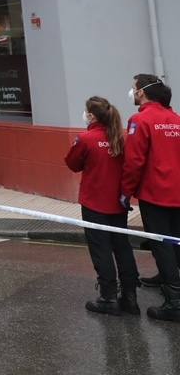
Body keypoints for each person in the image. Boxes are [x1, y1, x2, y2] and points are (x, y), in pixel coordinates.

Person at [65, 96, 139, 315]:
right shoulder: (120, 138)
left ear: (92, 115)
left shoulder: (86, 138)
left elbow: (72, 163)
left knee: (101, 250)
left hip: (94, 203)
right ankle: (130, 295)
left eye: (86, 112)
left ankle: (108, 297)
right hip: (118, 203)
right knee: (122, 247)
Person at [122, 73, 180, 322]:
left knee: (161, 243)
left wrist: (125, 192)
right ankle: (166, 277)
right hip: (177, 192)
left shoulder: (140, 120)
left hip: (156, 194)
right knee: (176, 241)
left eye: (134, 88)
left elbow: (134, 162)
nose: (132, 92)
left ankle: (174, 301)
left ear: (143, 92)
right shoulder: (175, 119)